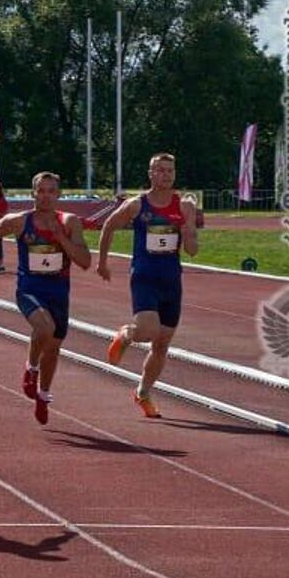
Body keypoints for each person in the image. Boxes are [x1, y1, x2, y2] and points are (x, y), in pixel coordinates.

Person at [0, 173, 92, 423]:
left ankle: (43, 394)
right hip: (29, 289)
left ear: (58, 195)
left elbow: (85, 262)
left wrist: (61, 239)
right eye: (41, 191)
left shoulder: (69, 222)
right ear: (33, 194)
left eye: (51, 191)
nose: (46, 196)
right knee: (44, 327)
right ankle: (31, 369)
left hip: (59, 292)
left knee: (53, 348)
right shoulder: (19, 221)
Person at [97, 152, 198, 418]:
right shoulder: (137, 205)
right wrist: (102, 262)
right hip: (144, 275)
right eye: (160, 170)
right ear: (150, 173)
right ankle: (128, 333)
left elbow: (192, 251)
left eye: (170, 171)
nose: (165, 175)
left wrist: (188, 233)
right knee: (148, 331)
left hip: (172, 280)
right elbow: (108, 225)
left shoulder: (185, 206)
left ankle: (142, 392)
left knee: (162, 344)